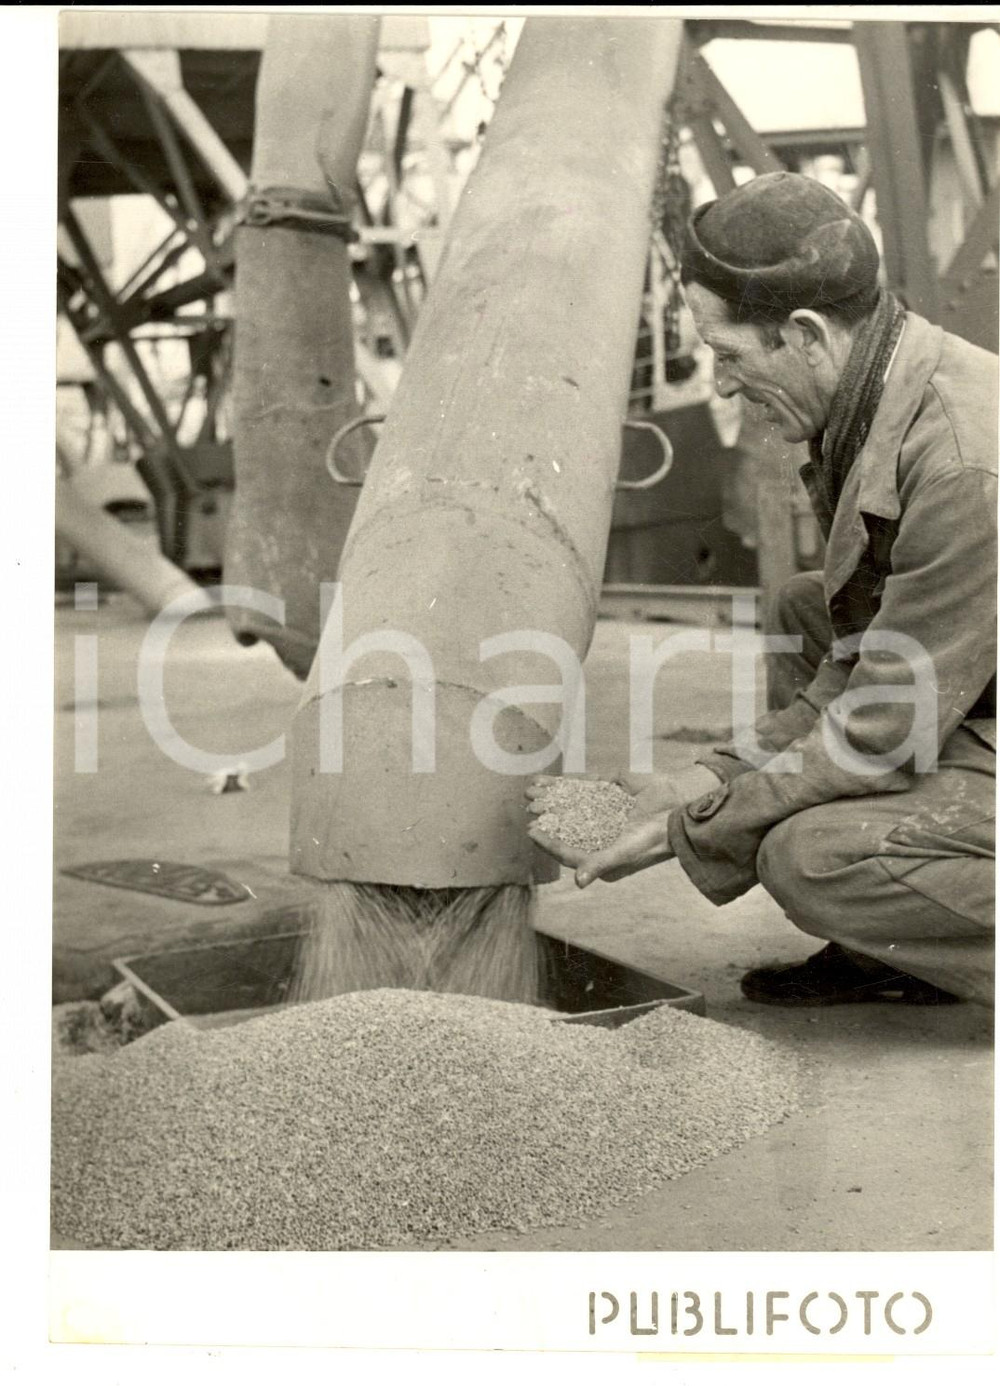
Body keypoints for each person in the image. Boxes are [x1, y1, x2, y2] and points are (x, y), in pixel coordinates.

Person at [528, 171, 997, 1008]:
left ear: (807, 334)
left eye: (729, 354)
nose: (723, 383)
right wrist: (706, 778)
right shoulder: (880, 397)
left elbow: (883, 723)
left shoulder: (963, 464)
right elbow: (854, 667)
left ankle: (908, 910)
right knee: (805, 607)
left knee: (810, 857)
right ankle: (896, 944)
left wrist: (695, 830)